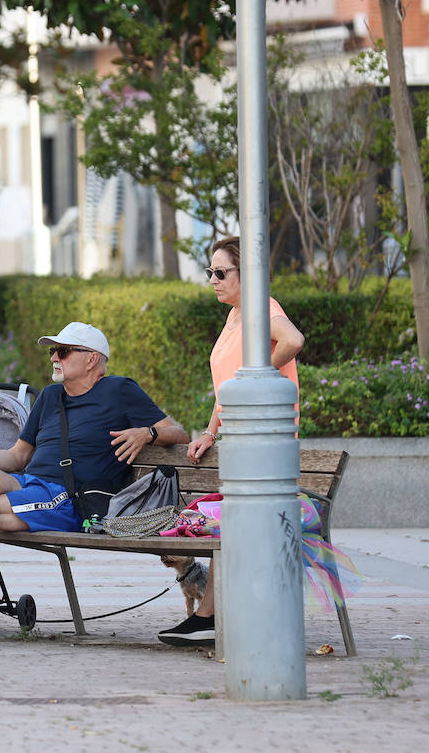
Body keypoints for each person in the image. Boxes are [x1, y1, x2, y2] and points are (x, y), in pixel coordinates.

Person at [0, 321, 189, 650]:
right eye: (53, 350)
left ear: (92, 359)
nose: (54, 356)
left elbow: (179, 434)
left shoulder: (119, 390)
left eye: (63, 351)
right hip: (29, 485)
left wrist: (147, 433)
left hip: (67, 499)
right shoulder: (51, 396)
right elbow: (18, 455)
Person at [158, 236, 305, 647]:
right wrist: (210, 431)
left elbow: (293, 342)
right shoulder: (235, 317)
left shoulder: (262, 308)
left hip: (265, 443)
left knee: (236, 525)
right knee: (229, 524)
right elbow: (226, 387)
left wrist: (257, 373)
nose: (213, 280)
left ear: (249, 275)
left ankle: (209, 616)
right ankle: (211, 616)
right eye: (210, 272)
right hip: (240, 442)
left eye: (221, 273)